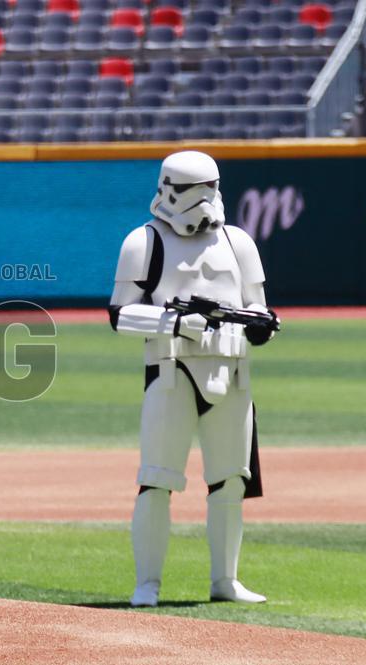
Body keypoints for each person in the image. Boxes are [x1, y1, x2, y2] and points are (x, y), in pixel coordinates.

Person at [108, 150, 279, 608]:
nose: (204, 201)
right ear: (168, 189)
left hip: (233, 372)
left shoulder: (238, 242)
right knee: (157, 479)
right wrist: (175, 324)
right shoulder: (144, 242)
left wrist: (260, 325)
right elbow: (120, 314)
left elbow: (256, 307)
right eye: (191, 191)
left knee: (230, 481)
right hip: (171, 370)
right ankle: (148, 583)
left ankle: (225, 579)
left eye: (211, 190)